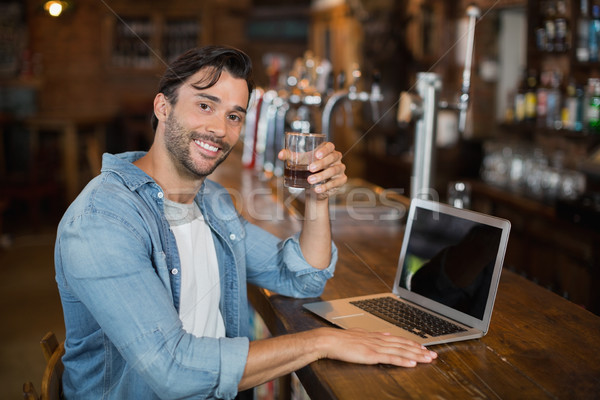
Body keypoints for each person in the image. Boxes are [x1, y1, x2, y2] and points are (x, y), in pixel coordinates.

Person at [54, 45, 437, 400]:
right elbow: (173, 370)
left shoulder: (212, 202)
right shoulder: (101, 221)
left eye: (234, 115)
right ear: (163, 107)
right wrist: (322, 342)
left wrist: (316, 197)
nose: (221, 129)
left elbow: (301, 276)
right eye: (205, 105)